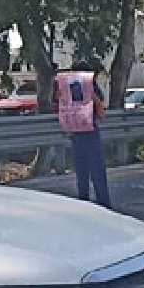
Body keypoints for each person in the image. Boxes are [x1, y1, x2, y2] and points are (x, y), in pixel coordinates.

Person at [54, 64, 111, 208]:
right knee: (97, 171)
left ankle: (84, 203)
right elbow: (101, 113)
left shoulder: (66, 88)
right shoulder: (92, 87)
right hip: (91, 132)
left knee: (81, 173)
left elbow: (59, 104)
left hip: (74, 133)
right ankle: (104, 204)